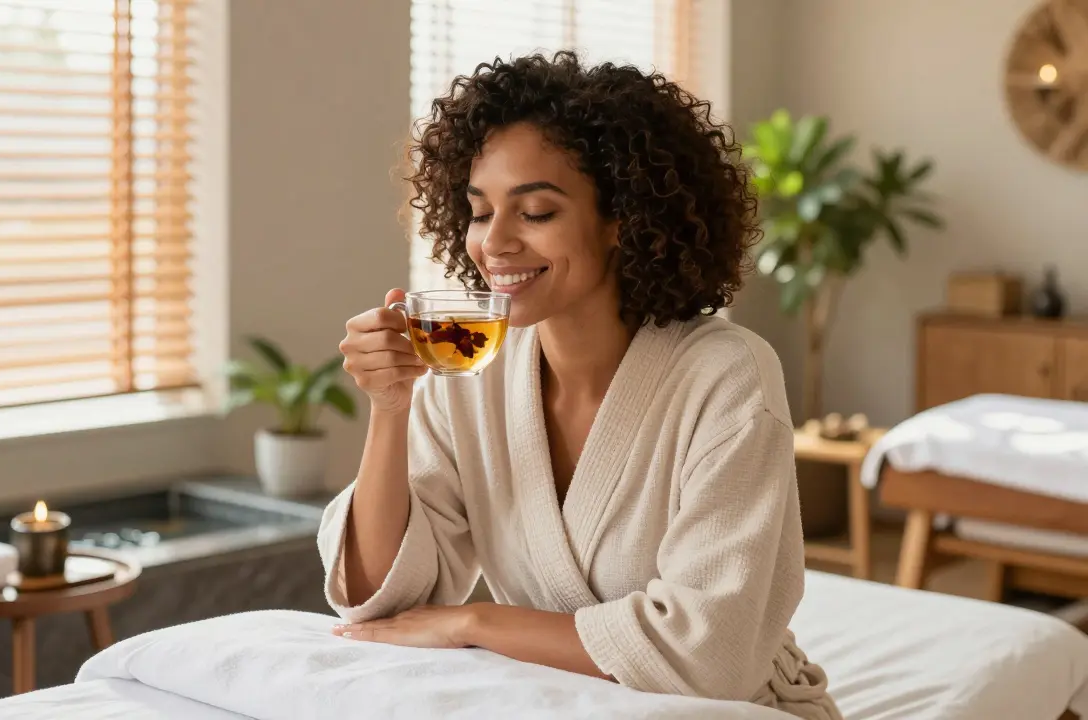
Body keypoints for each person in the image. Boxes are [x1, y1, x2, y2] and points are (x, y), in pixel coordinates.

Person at [319, 51, 841, 719]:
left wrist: (474, 624)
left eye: (535, 212)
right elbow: (377, 599)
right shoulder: (470, 368)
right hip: (554, 701)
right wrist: (391, 410)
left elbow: (710, 652)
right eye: (480, 212)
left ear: (621, 218)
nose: (495, 243)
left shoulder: (725, 374)